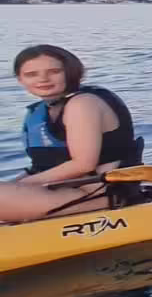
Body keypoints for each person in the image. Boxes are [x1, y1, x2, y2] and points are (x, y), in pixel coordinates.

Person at [2, 45, 144, 222]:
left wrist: (20, 187)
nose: (43, 79)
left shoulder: (83, 103)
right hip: (60, 192)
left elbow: (83, 164)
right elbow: (40, 168)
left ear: (70, 72)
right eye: (31, 74)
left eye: (54, 71)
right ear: (20, 79)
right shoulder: (42, 110)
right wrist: (13, 188)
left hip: (98, 195)